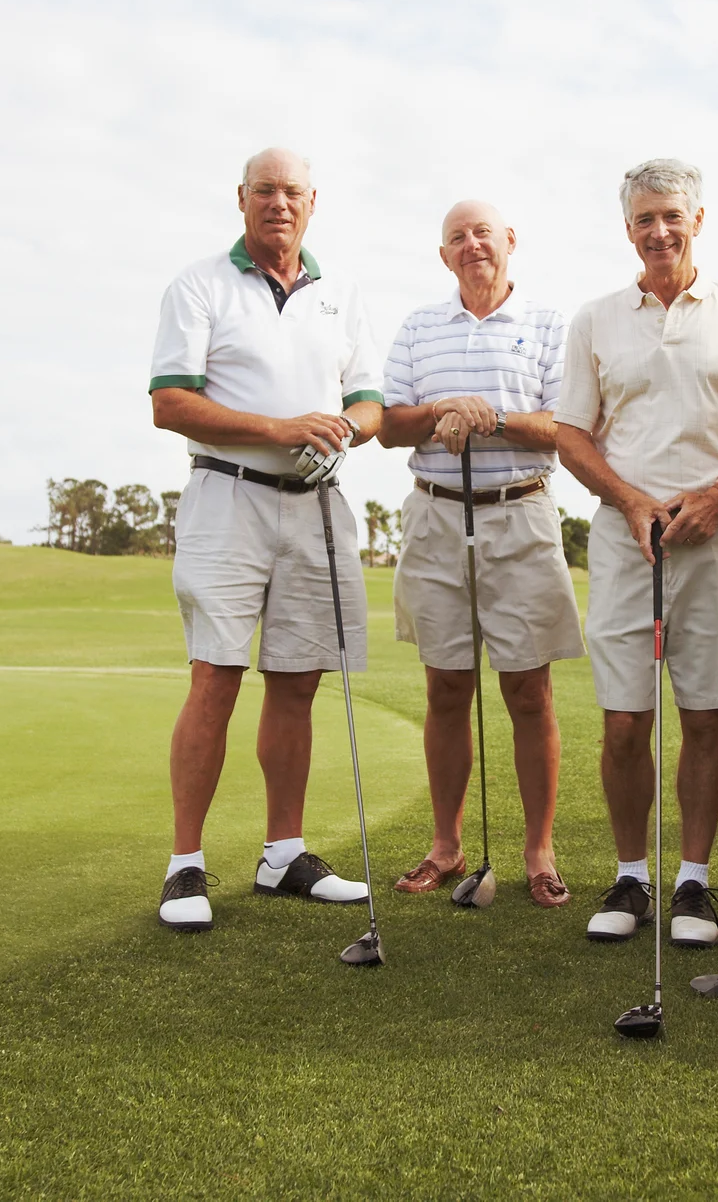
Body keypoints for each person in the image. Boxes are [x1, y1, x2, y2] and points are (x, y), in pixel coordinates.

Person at [147, 147, 384, 933]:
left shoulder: (338, 292)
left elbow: (370, 403)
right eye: (264, 192)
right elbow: (171, 403)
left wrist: (345, 426)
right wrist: (280, 428)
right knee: (215, 675)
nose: (278, 204)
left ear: (312, 202)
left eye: (292, 193)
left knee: (297, 681)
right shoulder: (200, 285)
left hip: (314, 502)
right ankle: (185, 866)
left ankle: (283, 854)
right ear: (241, 200)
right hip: (228, 498)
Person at [554, 158, 718, 949]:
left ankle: (692, 880)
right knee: (624, 722)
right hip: (628, 541)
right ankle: (631, 875)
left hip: (716, 537)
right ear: (628, 229)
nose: (659, 231)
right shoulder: (595, 319)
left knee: (705, 716)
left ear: (697, 219)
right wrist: (629, 501)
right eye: (644, 219)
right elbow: (571, 436)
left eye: (671, 216)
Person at [380, 200, 583, 908]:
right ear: (444, 255)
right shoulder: (418, 326)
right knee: (445, 688)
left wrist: (490, 416)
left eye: (483, 234)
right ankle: (445, 845)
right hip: (435, 516)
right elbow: (386, 425)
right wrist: (445, 414)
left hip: (519, 514)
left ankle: (538, 851)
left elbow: (563, 425)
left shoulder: (549, 325)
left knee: (528, 690)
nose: (472, 246)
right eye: (457, 238)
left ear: (510, 243)